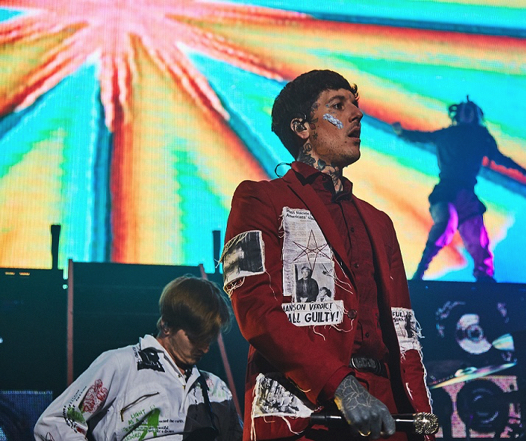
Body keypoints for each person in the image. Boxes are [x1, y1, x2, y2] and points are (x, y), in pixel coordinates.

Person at [221, 70, 433, 441]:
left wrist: (423, 420)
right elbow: (255, 310)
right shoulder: (258, 200)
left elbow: (403, 330)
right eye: (338, 105)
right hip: (304, 415)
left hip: (387, 412)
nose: (357, 114)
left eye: (355, 104)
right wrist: (341, 386)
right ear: (302, 127)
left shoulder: (379, 222)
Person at [34, 275, 243, 441]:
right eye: (195, 338)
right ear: (166, 325)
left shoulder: (216, 389)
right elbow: (55, 422)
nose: (204, 348)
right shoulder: (121, 365)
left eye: (209, 339)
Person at [392, 97, 526, 282]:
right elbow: (423, 137)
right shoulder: (448, 134)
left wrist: (524, 173)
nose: (467, 113)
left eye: (471, 110)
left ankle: (484, 277)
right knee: (446, 222)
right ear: (459, 114)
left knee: (477, 237)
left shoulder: (481, 137)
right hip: (446, 191)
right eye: (465, 110)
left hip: (466, 195)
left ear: (476, 115)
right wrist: (402, 133)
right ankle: (420, 273)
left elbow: (500, 158)